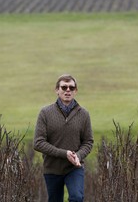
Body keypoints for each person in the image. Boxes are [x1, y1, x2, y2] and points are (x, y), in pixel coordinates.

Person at [34, 74, 94, 202]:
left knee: (77, 198)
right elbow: (38, 142)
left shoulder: (84, 114)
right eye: (64, 87)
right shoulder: (45, 113)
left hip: (74, 168)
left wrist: (78, 155)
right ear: (57, 90)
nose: (68, 90)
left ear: (75, 91)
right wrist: (64, 153)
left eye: (71, 88)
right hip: (52, 168)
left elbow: (88, 142)